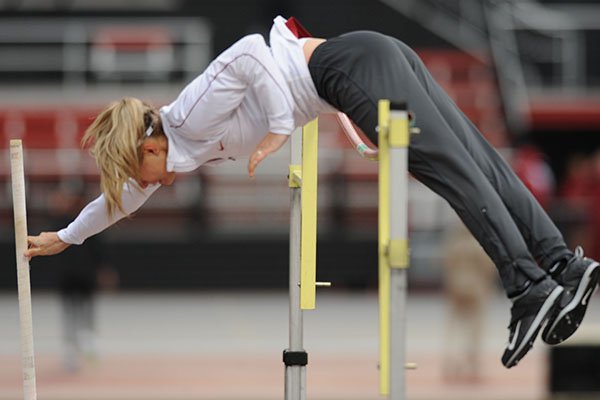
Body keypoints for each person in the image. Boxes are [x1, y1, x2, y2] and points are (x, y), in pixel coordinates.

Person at [25, 15, 599, 369]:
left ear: (147, 149)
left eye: (136, 175)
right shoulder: (174, 150)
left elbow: (251, 49)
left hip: (347, 69)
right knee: (477, 158)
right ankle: (560, 267)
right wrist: (65, 237)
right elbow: (113, 206)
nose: (140, 189)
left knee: (452, 170)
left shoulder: (188, 118)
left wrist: (279, 128)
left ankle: (528, 287)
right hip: (372, 57)